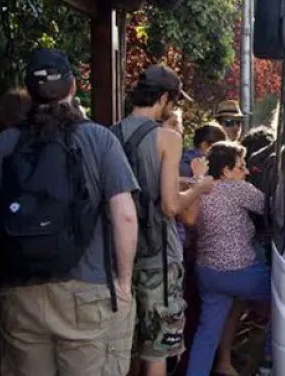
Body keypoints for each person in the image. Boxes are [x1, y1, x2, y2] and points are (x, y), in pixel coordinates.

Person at [0, 48, 139, 376]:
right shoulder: (98, 139)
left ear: (29, 92)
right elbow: (125, 215)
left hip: (20, 293)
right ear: (73, 86)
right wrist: (123, 282)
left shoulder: (2, 146)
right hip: (87, 293)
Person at [111, 65, 215, 376]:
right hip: (158, 254)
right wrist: (199, 187)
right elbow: (170, 206)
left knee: (124, 344)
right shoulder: (167, 138)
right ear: (164, 98)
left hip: (118, 254)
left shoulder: (109, 134)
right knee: (156, 347)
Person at [187, 142, 271, 376]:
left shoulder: (201, 188)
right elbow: (271, 208)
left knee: (207, 333)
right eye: (241, 167)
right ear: (225, 171)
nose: (246, 172)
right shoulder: (237, 189)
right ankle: (269, 360)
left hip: (208, 273)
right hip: (241, 271)